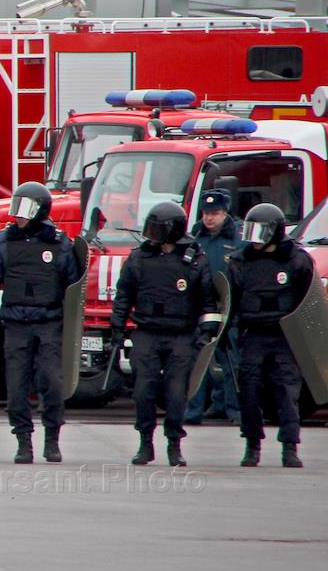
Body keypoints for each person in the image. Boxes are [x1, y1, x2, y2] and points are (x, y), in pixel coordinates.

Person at [0, 181, 81, 464]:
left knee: (51, 383)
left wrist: (74, 328)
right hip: (16, 323)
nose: (17, 216)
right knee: (17, 387)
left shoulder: (59, 244)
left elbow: (73, 287)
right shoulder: (4, 241)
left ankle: (52, 439)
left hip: (48, 323)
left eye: (24, 209)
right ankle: (23, 441)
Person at [109, 201, 217, 467]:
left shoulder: (194, 261)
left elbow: (208, 301)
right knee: (143, 390)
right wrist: (117, 327)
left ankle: (174, 444)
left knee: (176, 392)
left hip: (181, 334)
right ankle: (146, 443)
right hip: (146, 332)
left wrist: (207, 332)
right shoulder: (138, 258)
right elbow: (124, 296)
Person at [226, 203, 314, 468]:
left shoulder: (297, 260)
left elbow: (308, 302)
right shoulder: (241, 262)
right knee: (249, 392)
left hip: (285, 337)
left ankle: (290, 447)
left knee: (287, 393)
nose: (254, 238)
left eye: (260, 231)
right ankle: (252, 445)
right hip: (253, 335)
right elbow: (231, 299)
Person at [185, 189, 241, 425]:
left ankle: (233, 410)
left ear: (225, 213)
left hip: (230, 308)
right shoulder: (196, 237)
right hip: (203, 308)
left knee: (231, 361)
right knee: (200, 361)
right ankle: (193, 411)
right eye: (206, 213)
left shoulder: (237, 239)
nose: (209, 218)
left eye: (215, 213)